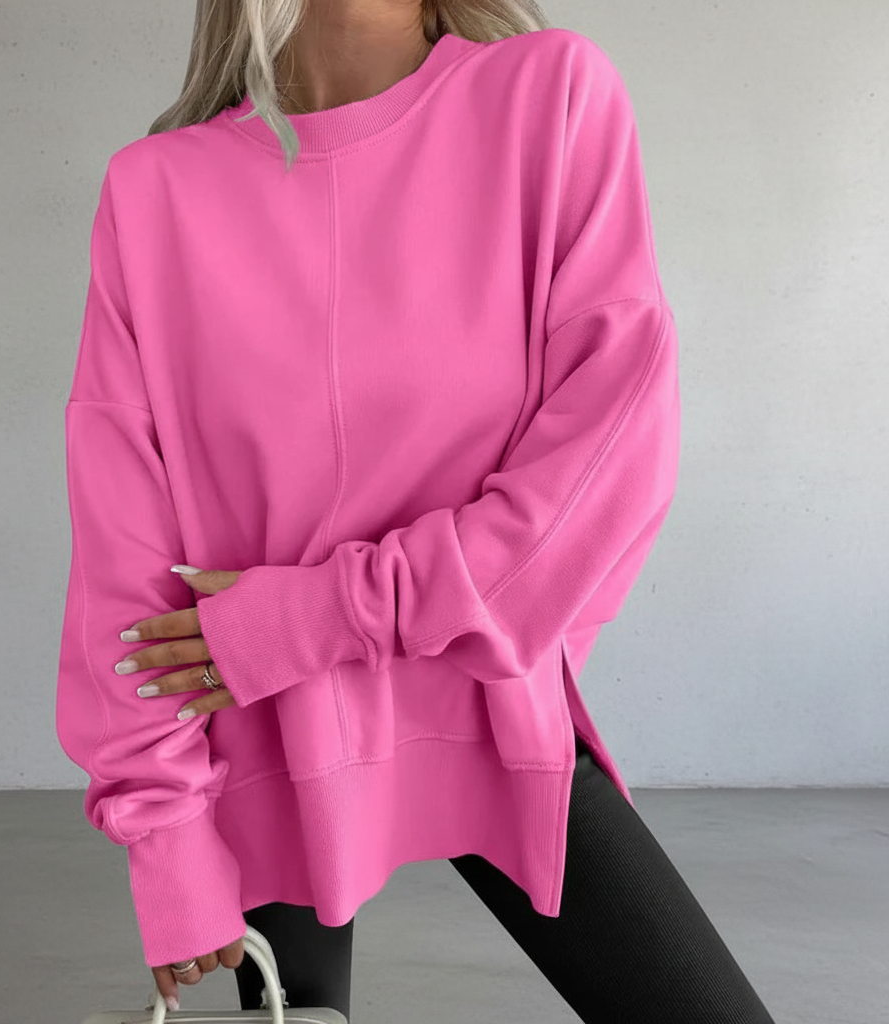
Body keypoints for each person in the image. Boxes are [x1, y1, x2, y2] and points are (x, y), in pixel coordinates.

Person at [56, 1, 778, 1021]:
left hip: (482, 705)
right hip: (263, 741)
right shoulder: (156, 190)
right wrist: (166, 837)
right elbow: (123, 553)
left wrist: (323, 615)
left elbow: (607, 460)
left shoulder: (546, 97)